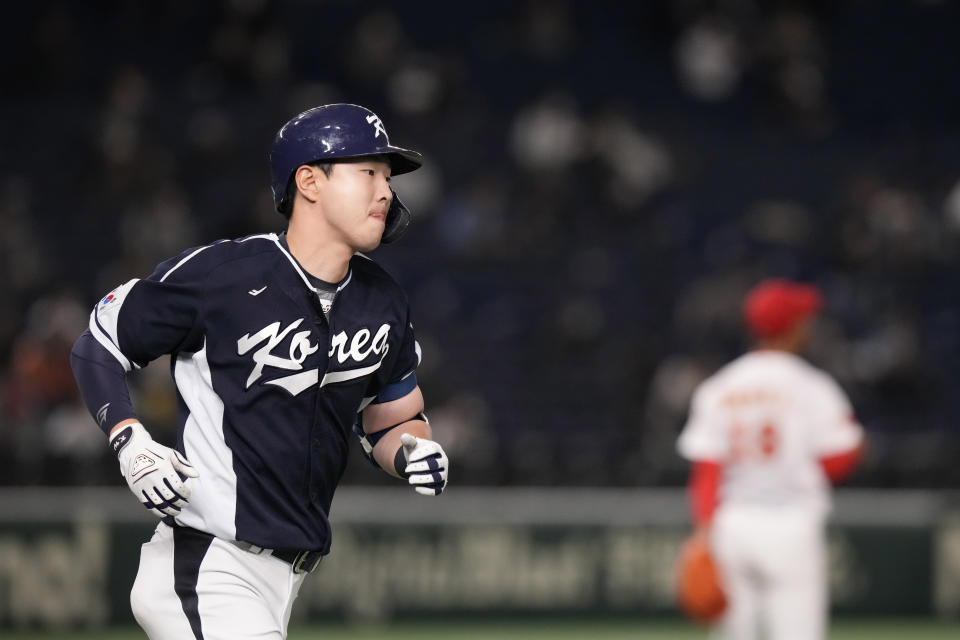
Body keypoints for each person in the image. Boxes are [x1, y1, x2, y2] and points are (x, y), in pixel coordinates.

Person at [70, 103, 449, 640]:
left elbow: (391, 421)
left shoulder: (381, 299)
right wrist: (130, 439)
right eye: (368, 172)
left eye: (387, 177)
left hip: (283, 579)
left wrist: (412, 449)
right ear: (309, 182)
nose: (385, 191)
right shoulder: (223, 276)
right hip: (205, 564)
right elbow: (97, 347)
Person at [676, 278, 864, 640]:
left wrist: (702, 537)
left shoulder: (720, 387)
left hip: (733, 527)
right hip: (791, 524)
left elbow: (707, 473)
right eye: (803, 319)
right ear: (793, 328)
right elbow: (838, 461)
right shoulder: (812, 386)